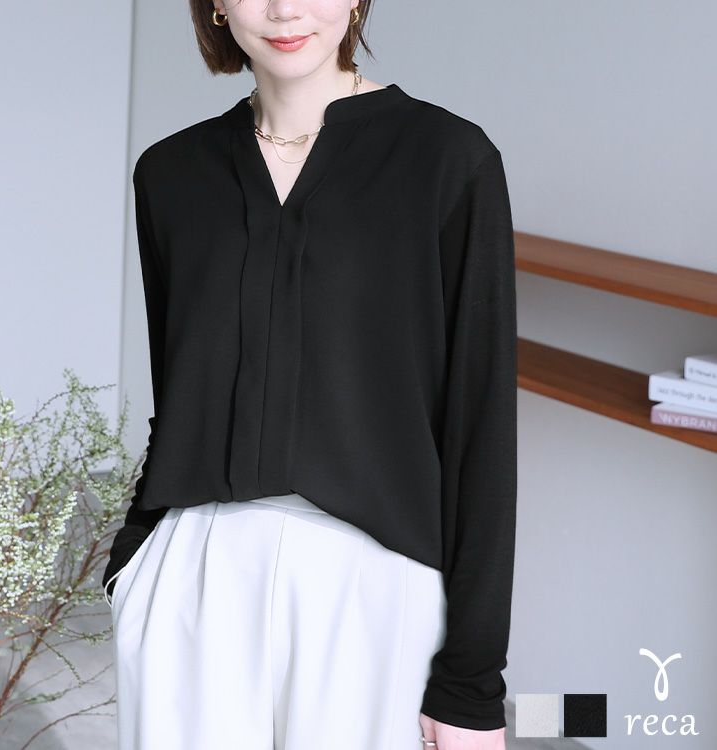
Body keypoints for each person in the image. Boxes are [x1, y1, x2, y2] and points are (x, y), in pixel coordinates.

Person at [102, 1, 517, 749]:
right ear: (216, 6)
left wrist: (471, 684)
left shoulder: (449, 160)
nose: (285, 8)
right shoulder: (170, 173)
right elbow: (182, 384)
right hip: (195, 569)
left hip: (374, 576)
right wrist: (133, 557)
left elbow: (480, 425)